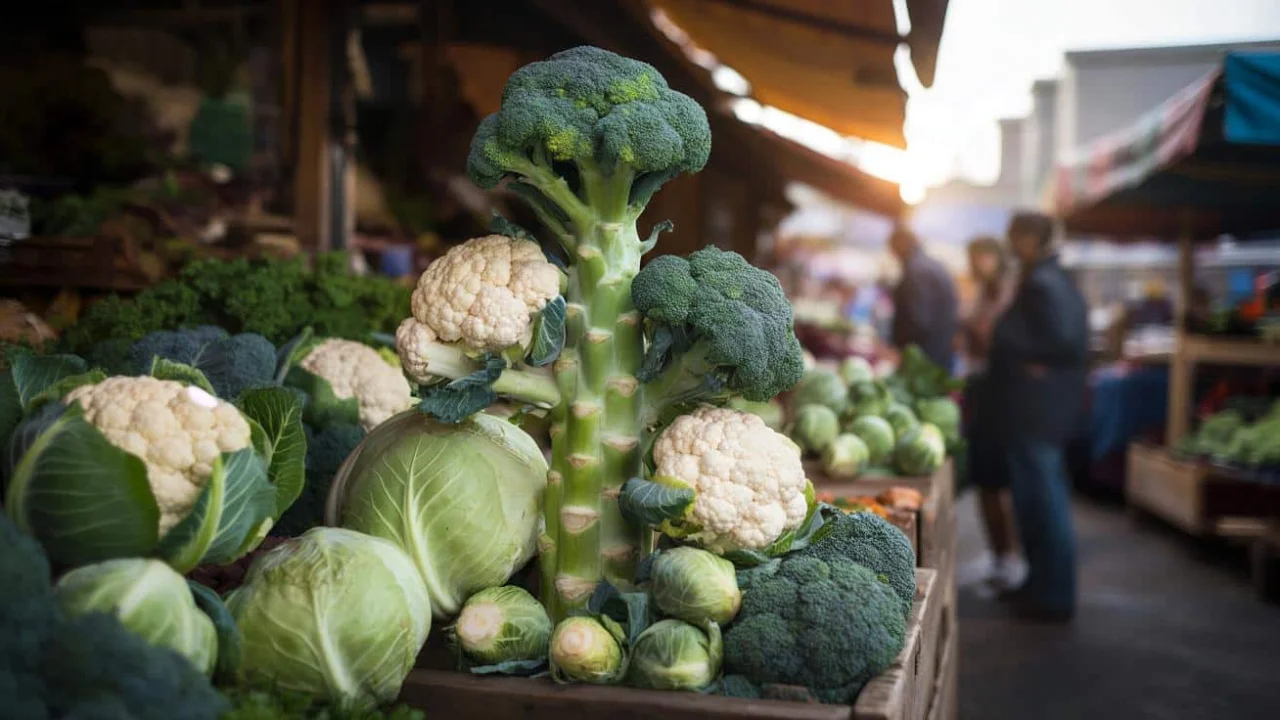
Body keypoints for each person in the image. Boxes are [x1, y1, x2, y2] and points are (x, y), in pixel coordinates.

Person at [989, 211, 1089, 622]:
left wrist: (1027, 357)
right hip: (1035, 408)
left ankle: (1054, 595)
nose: (1010, 244)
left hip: (1038, 409)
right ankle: (1039, 585)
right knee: (1032, 500)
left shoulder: (1045, 282)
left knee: (1043, 499)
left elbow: (1063, 338)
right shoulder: (1046, 277)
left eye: (1015, 236)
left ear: (1030, 238)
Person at [959, 236, 1022, 591]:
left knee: (1000, 480)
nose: (980, 263)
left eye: (985, 256)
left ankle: (1011, 557)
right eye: (975, 257)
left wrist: (974, 328)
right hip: (979, 389)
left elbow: (995, 339)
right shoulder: (982, 291)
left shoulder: (1010, 293)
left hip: (1001, 395)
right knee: (985, 479)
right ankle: (1000, 556)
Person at [888, 227, 959, 370]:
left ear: (900, 246)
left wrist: (901, 348)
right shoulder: (933, 264)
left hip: (926, 356)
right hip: (941, 350)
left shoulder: (916, 271)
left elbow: (917, 319)